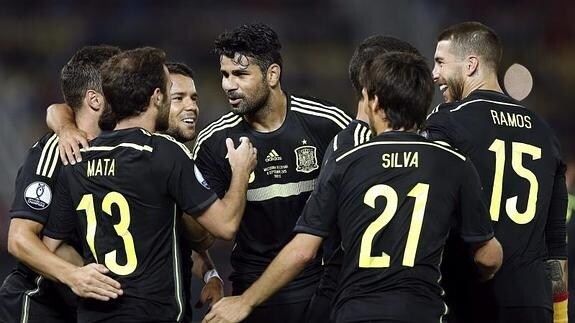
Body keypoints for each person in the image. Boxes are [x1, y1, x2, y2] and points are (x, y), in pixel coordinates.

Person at [204, 51, 503, 323]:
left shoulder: (346, 159)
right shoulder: (454, 162)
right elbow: (488, 256)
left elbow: (303, 251)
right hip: (422, 311)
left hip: (355, 312)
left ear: (373, 102)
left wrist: (245, 300)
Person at [41, 47, 257, 322]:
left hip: (95, 316)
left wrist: (87, 275)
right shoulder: (163, 153)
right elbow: (225, 226)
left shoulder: (76, 159)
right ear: (157, 97)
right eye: (171, 91)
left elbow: (52, 247)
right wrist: (241, 169)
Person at [191, 23, 351, 322]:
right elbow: (194, 232)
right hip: (251, 294)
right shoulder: (214, 142)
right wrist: (211, 273)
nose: (228, 85)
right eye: (224, 75)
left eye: (240, 74)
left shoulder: (328, 124)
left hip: (324, 290)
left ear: (272, 74)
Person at [424, 21, 568, 323]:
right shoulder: (544, 132)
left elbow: (429, 215)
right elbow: (556, 245)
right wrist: (560, 313)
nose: (434, 74)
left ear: (471, 64)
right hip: (533, 304)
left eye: (440, 62)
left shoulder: (447, 121)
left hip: (472, 300)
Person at [0, 45, 123, 323]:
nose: (127, 91)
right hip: (37, 304)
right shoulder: (54, 151)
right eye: (118, 84)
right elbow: (19, 239)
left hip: (82, 306)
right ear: (95, 100)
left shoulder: (118, 150)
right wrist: (75, 276)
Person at [304, 35, 422, 323]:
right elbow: (309, 243)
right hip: (349, 298)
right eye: (401, 71)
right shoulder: (350, 147)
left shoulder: (413, 144)